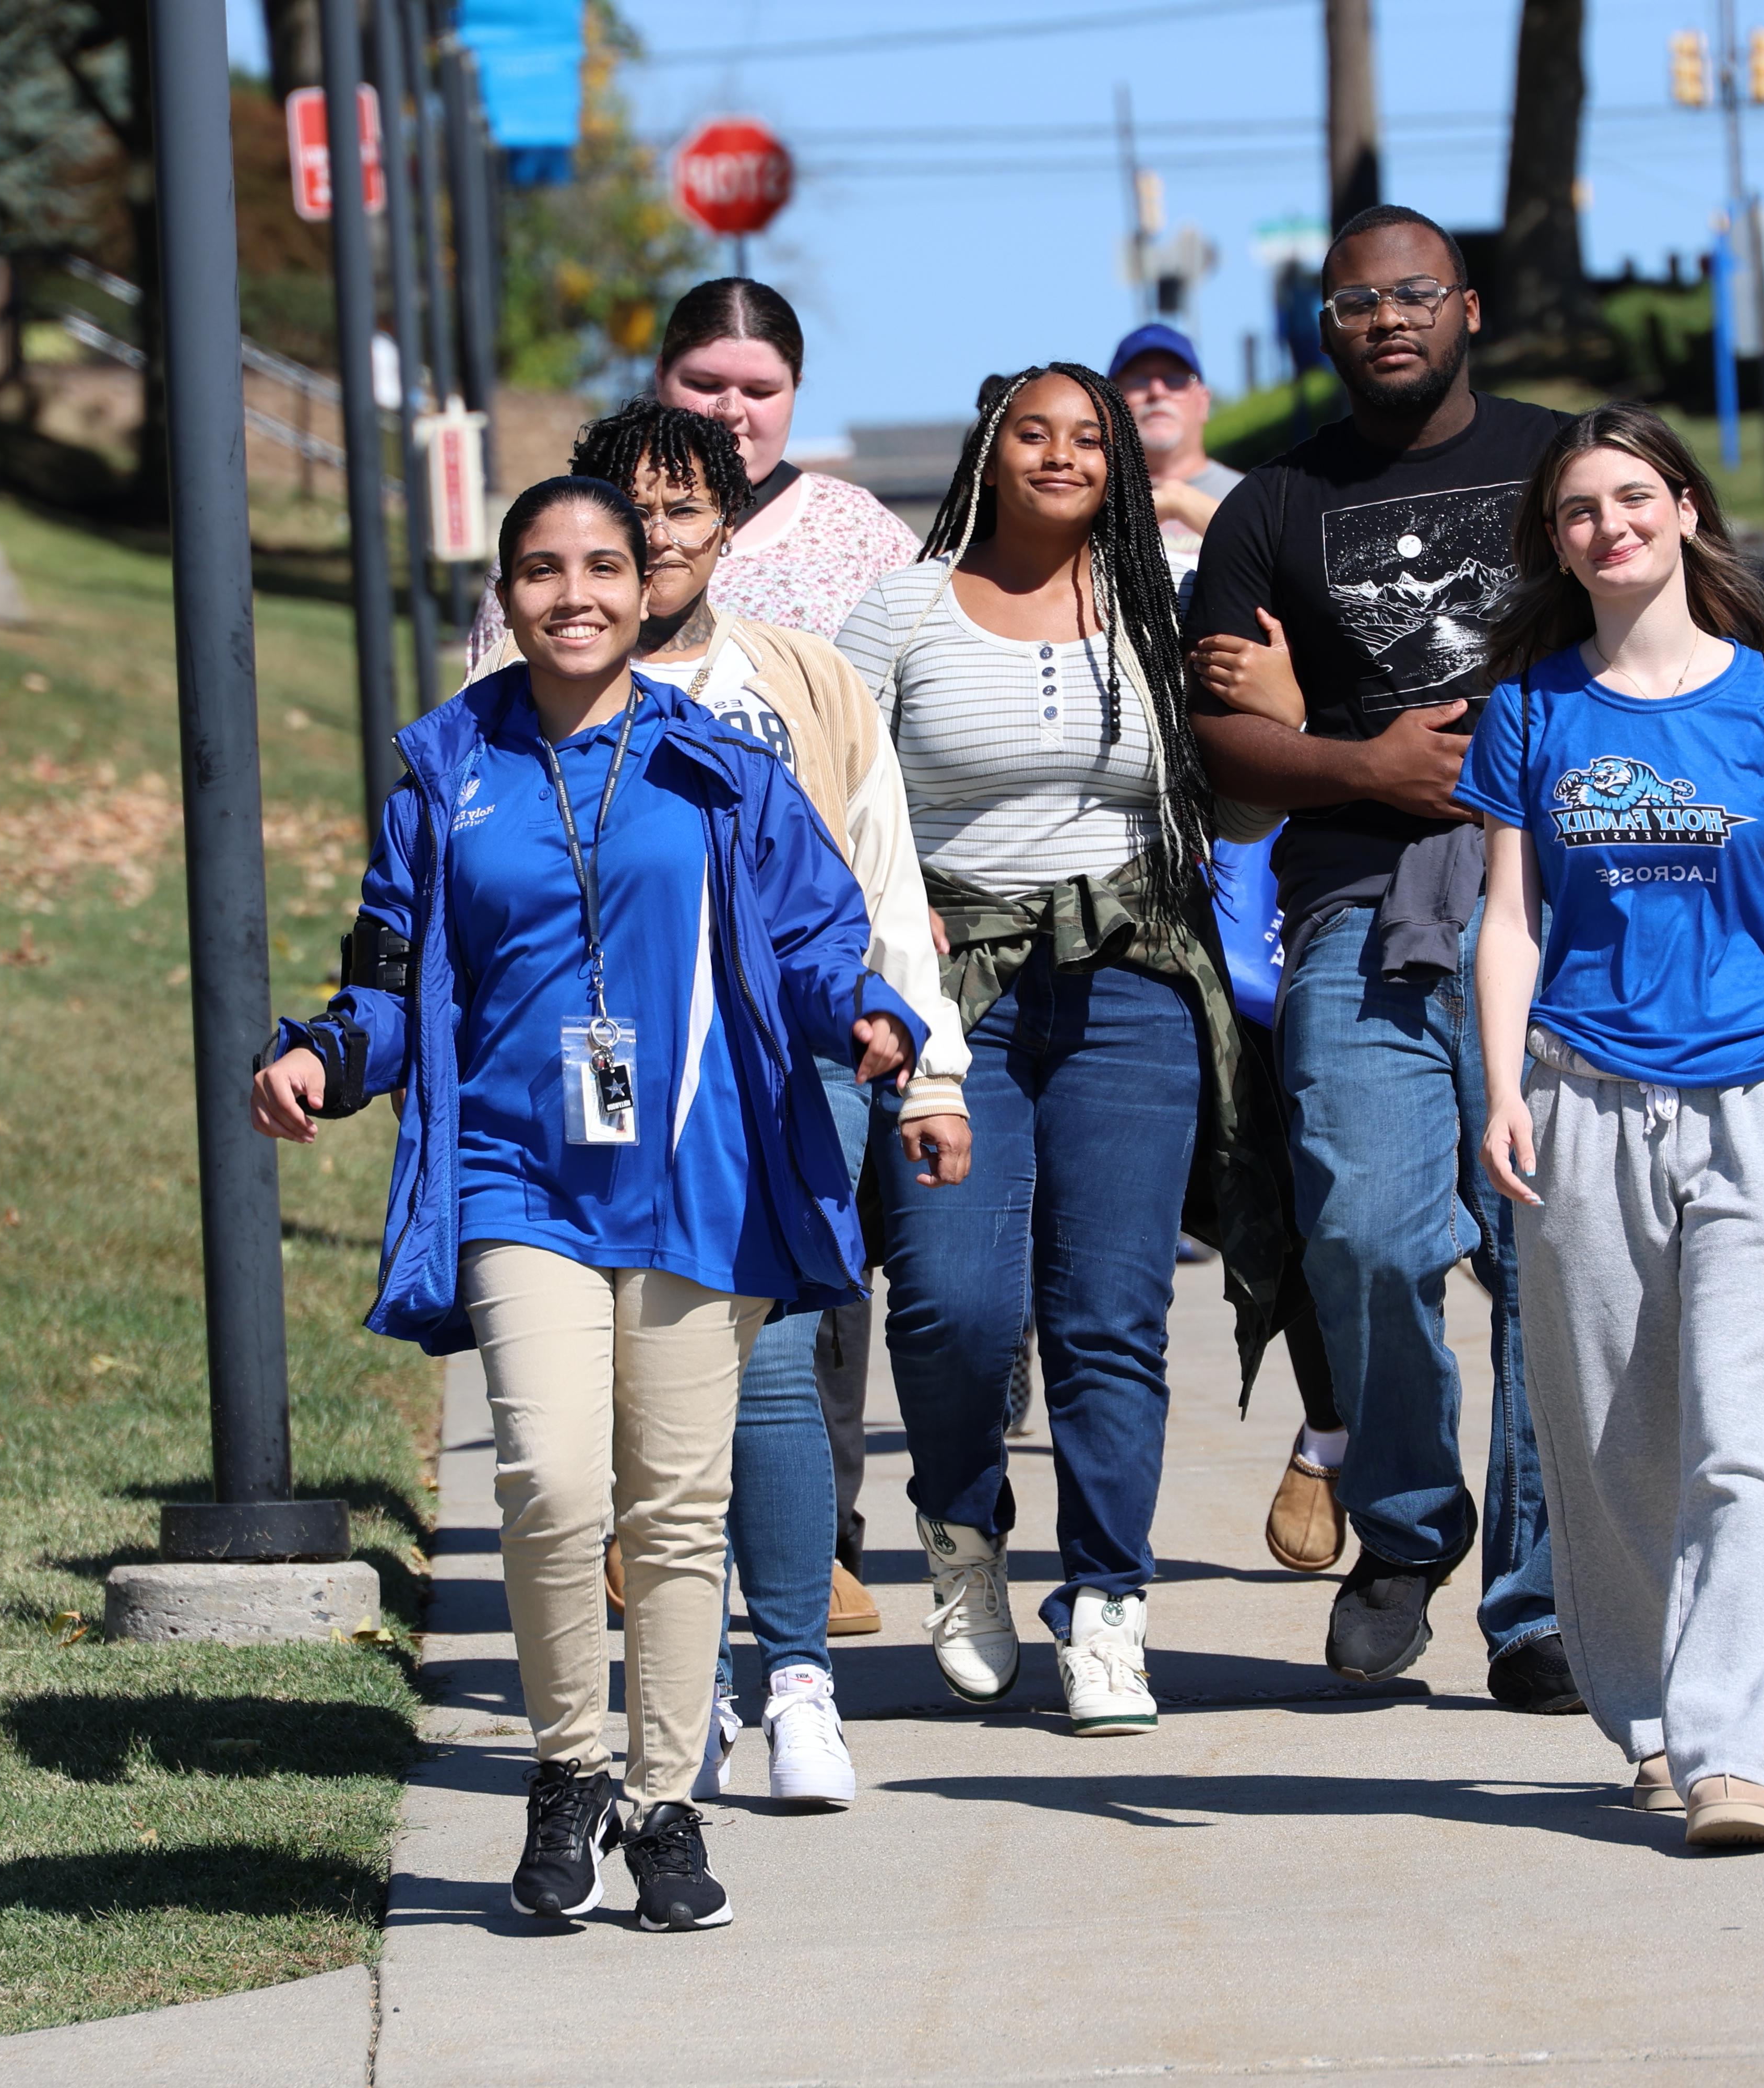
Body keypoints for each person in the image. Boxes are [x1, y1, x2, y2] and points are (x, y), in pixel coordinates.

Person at [253, 477, 926, 1929]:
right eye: (545, 571)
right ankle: (568, 1774)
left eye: (605, 568)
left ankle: (665, 1804)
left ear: (647, 586)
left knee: (680, 1508)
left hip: (698, 1171)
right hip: (516, 1170)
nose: (578, 595)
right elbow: (387, 973)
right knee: (554, 1485)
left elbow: (816, 941)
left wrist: (868, 1020)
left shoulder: (722, 767)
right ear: (506, 595)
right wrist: (323, 1053)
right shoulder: (447, 768)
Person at [1465, 406, 1764, 1848]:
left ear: (1683, 509)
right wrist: (1501, 1090)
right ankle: (1656, 1722)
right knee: (1613, 1448)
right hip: (1584, 1100)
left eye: (1632, 499)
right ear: (1558, 546)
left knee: (1757, 1442)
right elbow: (1509, 922)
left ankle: (1741, 1753)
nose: (1609, 528)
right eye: (1577, 514)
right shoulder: (1533, 708)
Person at [837, 362, 1293, 1735]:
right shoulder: (904, 610)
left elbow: (1243, 819)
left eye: (1088, 435)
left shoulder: (1162, 598)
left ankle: (1109, 1607)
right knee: (955, 1302)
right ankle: (963, 1527)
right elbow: (836, 799)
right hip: (956, 996)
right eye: (1032, 430)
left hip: (1134, 991)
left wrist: (1278, 708)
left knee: (1111, 1319)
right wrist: (885, 910)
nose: (1061, 452)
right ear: (990, 449)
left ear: (1121, 463)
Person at [546, 397, 973, 1807]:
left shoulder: (805, 680)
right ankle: (686, 1692)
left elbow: (882, 882)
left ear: (729, 530)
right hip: (603, 1079)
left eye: (683, 509)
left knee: (778, 1363)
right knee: (640, 1382)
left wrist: (930, 1065)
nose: (656, 536)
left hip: (787, 1071)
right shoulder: (531, 692)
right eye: (628, 507)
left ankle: (794, 1682)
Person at [1181, 203, 1571, 1709]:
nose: (1388, 319)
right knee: (1366, 1232)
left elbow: (1666, 631)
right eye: (1356, 303)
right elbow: (1225, 739)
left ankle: (1534, 1605)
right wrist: (1369, 767)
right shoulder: (1271, 508)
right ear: (1324, 329)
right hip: (1361, 907)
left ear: (1467, 308)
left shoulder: (1558, 466)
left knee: (1546, 1261)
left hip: (1556, 912)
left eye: (1415, 294)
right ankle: (1407, 1529)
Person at [467, 280, 919, 666]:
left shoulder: (860, 532)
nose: (729, 410)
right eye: (705, 385)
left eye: (761, 391)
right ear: (660, 374)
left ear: (796, 387)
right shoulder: (558, 523)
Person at [1109, 322, 1241, 568]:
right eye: (1138, 380)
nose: (1157, 392)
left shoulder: (1255, 496)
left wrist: (1176, 499)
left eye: (1175, 380)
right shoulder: (1084, 499)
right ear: (1109, 405)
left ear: (1204, 402)